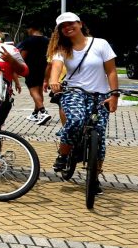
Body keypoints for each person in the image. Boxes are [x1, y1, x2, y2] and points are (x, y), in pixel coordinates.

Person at [47, 12, 119, 194]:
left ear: (80, 24)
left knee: (100, 134)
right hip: (74, 92)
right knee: (76, 120)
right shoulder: (61, 48)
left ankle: (94, 178)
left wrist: (114, 95)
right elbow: (56, 67)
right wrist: (54, 80)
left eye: (71, 23)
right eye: (63, 26)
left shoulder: (100, 44)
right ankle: (63, 155)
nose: (67, 27)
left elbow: (111, 71)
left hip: (100, 95)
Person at [18, 24, 52, 125]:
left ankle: (43, 111)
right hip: (43, 68)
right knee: (39, 90)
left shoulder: (28, 41)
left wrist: (19, 69)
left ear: (32, 28)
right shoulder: (47, 40)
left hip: (31, 68)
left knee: (33, 91)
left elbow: (22, 57)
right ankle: (35, 113)